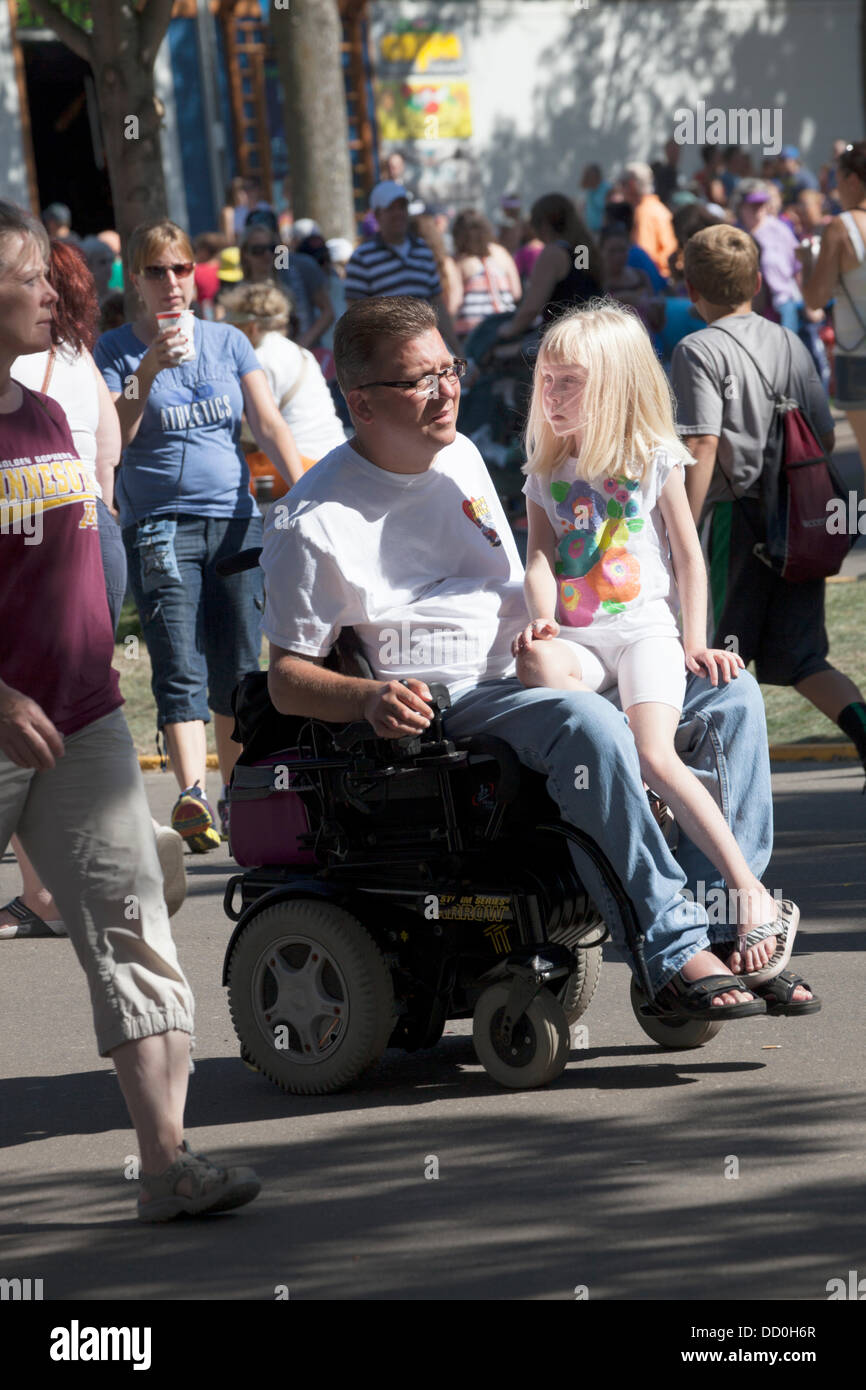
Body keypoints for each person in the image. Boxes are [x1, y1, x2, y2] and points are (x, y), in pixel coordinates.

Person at [259, 294, 809, 1021]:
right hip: (464, 698)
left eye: (448, 368)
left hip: (558, 659)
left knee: (729, 699)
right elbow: (285, 680)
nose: (448, 389)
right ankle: (672, 948)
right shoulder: (313, 521)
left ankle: (729, 927)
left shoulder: (458, 455)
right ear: (361, 403)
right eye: (420, 380)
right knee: (588, 724)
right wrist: (366, 699)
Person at [0, 199, 261, 1219]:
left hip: (87, 716)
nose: (49, 289)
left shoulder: (43, 411)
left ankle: (167, 1162)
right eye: (26, 275)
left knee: (135, 923)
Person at [510, 301, 810, 1005]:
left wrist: (696, 641)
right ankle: (672, 873)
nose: (550, 395)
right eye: (545, 380)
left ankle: (746, 892)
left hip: (645, 632)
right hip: (583, 643)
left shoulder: (653, 457)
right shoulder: (545, 470)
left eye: (569, 382)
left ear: (614, 386)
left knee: (656, 751)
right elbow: (540, 560)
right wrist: (542, 620)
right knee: (536, 666)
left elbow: (688, 557)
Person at [93, 219, 306, 851]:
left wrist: (306, 495)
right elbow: (119, 435)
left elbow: (267, 424)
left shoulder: (230, 342)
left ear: (196, 275)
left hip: (235, 521)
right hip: (159, 525)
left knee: (241, 668)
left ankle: (238, 799)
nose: (171, 283)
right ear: (137, 277)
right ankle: (191, 794)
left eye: (181, 269)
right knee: (178, 662)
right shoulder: (116, 351)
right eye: (156, 271)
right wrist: (152, 368)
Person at [4, 235, 186, 939]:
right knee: (70, 698)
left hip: (44, 529)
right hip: (90, 522)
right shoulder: (86, 352)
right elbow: (112, 441)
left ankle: (44, 884)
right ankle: (110, 839)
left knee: (35, 703)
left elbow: (121, 421)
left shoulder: (77, 358)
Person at [671, 224, 866, 787]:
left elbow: (703, 441)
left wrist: (683, 520)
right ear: (757, 280)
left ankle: (709, 784)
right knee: (803, 658)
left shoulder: (697, 349)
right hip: (795, 523)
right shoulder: (789, 341)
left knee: (711, 654)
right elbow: (823, 438)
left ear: (691, 289)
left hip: (736, 519)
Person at [219, 280, 345, 479]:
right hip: (332, 459)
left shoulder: (259, 360)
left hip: (302, 464)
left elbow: (256, 431)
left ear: (251, 327)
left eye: (234, 326)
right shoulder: (301, 352)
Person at [802, 140, 866, 470]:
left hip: (858, 354)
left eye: (837, 179)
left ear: (853, 179)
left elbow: (814, 299)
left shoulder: (842, 227)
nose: (834, 188)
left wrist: (806, 265)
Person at [344, 182, 459, 349]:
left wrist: (455, 347)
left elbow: (437, 303)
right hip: (386, 351)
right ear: (377, 215)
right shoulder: (362, 257)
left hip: (427, 344)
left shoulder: (422, 250)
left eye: (402, 207)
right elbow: (355, 314)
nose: (398, 213)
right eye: (391, 208)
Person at [496, 193, 601, 343]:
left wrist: (509, 329)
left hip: (565, 338)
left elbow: (532, 308)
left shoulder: (552, 254)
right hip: (593, 332)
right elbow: (581, 288)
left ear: (543, 225)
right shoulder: (582, 249)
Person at [735, 179, 803, 331]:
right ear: (740, 206)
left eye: (762, 203)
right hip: (746, 307)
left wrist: (810, 304)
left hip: (781, 304)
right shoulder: (734, 233)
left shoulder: (780, 229)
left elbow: (797, 266)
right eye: (753, 204)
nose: (759, 209)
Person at [449, 209, 521, 338]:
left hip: (471, 333)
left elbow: (454, 302)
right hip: (504, 325)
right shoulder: (502, 253)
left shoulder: (459, 262)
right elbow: (516, 293)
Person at [620, 162, 677, 282]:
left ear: (631, 185)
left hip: (656, 279)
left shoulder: (644, 213)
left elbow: (644, 256)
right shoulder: (656, 207)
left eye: (622, 184)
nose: (620, 189)